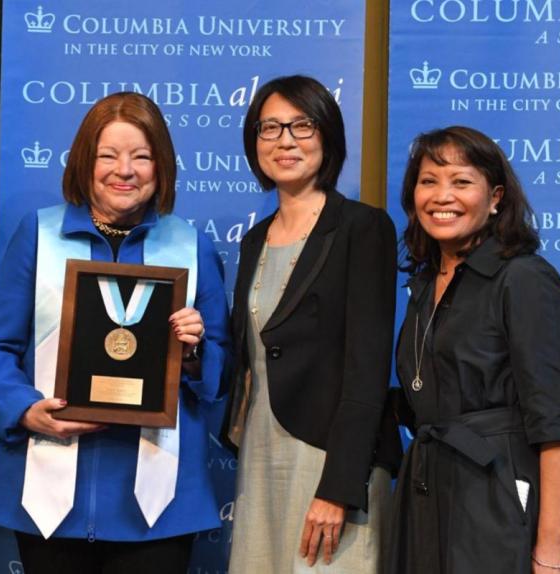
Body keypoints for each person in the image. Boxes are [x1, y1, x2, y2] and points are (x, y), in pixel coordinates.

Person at [0, 92, 230, 574]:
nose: (124, 170)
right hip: (49, 492)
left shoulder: (191, 245)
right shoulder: (39, 234)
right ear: (85, 162)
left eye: (142, 156)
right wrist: (25, 410)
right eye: (108, 155)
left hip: (158, 504)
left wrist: (193, 353)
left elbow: (219, 368)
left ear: (162, 166)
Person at [381, 126, 560, 573]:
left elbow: (557, 425)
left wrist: (551, 552)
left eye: (461, 181)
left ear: (495, 198)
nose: (442, 195)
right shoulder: (423, 284)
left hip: (498, 497)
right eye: (428, 181)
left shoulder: (524, 279)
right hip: (426, 494)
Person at [224, 75, 398, 573]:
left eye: (303, 125)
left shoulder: (363, 228)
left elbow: (367, 369)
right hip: (260, 453)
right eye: (270, 128)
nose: (285, 141)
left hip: (332, 460)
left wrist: (339, 488)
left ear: (328, 136)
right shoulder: (254, 241)